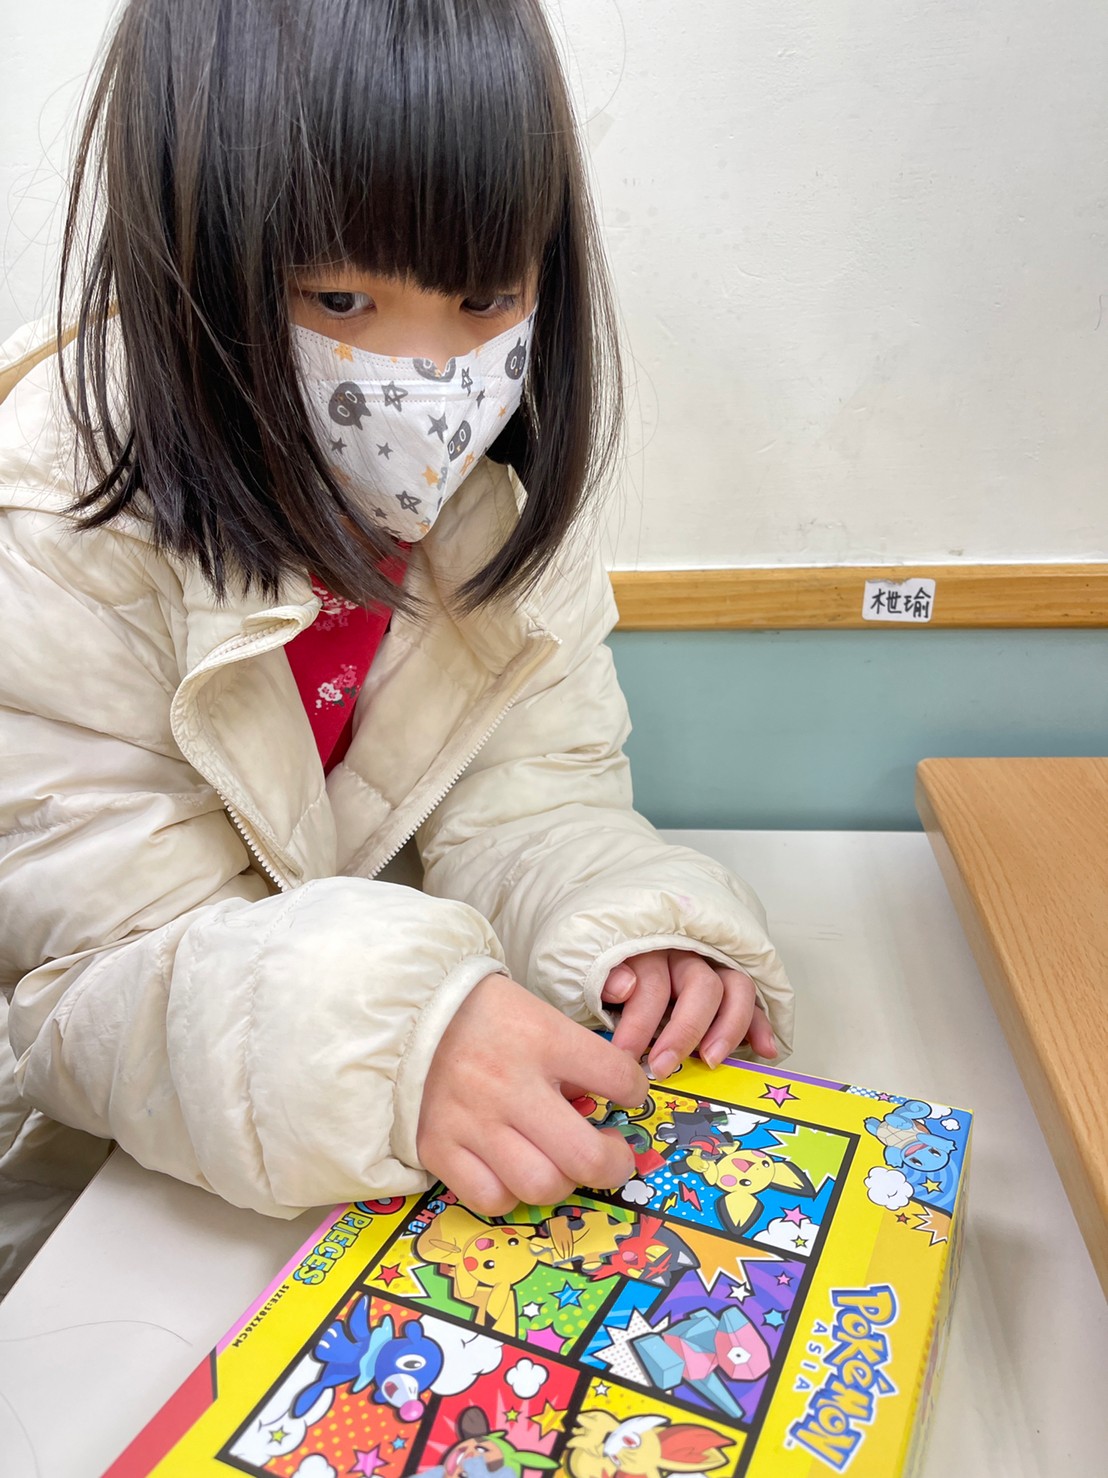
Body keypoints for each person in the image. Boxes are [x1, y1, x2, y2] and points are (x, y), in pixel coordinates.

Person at [0, 0, 793, 1295]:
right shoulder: (55, 519)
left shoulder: (496, 514)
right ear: (191, 259)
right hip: (101, 1209)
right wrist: (399, 1036)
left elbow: (535, 801)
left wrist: (633, 935)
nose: (429, 375)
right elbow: (99, 967)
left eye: (485, 298)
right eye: (343, 296)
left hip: (351, 1180)